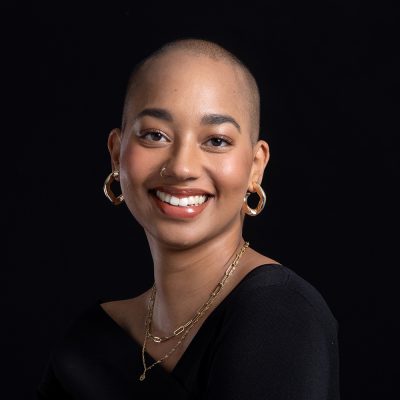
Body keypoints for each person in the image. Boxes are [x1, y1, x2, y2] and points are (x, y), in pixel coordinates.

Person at [37, 39, 340, 399]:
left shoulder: (279, 314)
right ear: (117, 154)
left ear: (255, 166)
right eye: (155, 135)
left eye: (216, 141)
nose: (182, 167)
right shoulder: (91, 342)